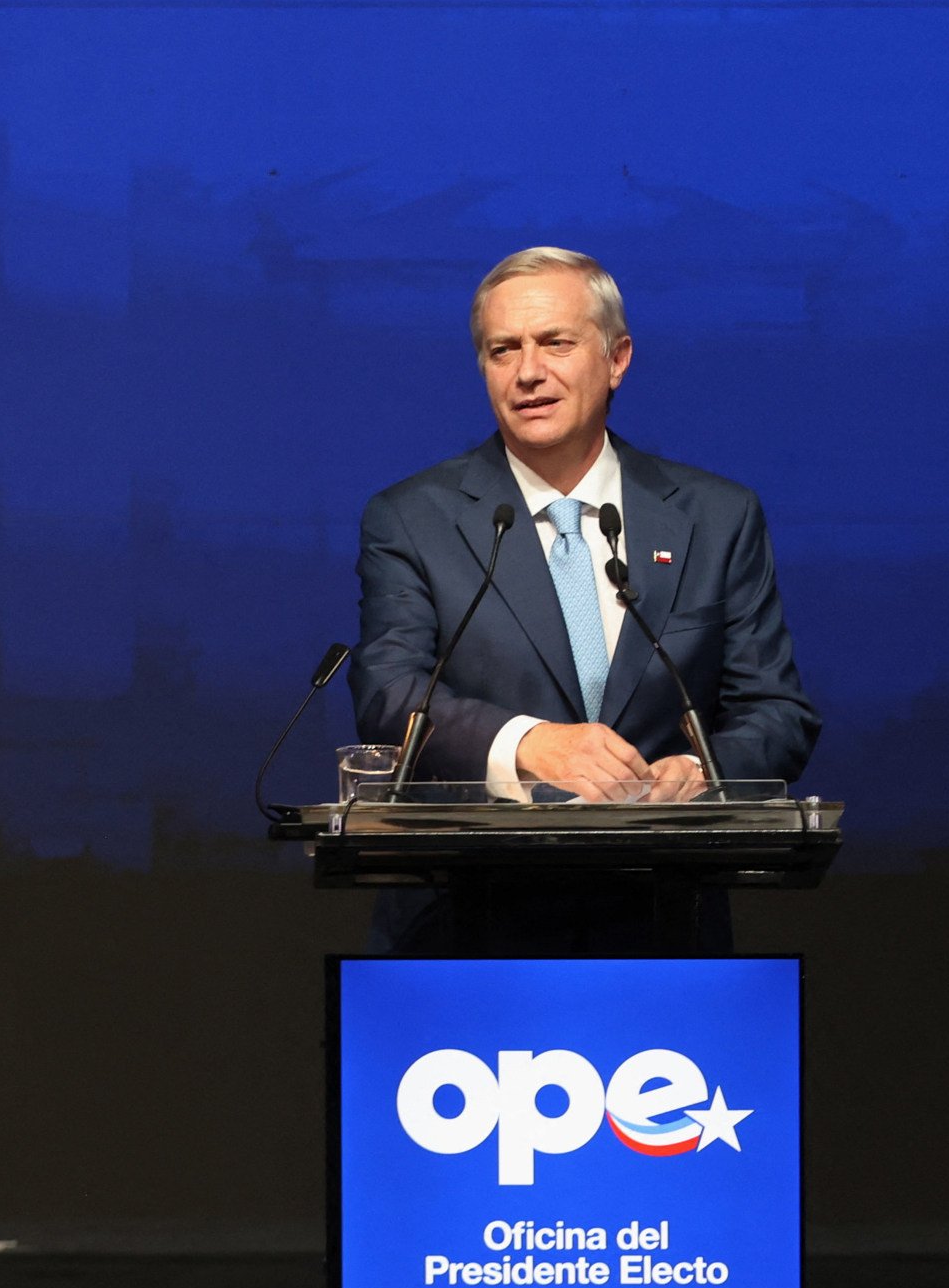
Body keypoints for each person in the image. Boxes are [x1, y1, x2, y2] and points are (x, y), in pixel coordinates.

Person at [350, 246, 820, 953]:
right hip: (466, 925)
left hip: (666, 923)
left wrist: (697, 772)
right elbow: (388, 692)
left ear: (616, 358)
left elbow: (777, 711)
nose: (527, 371)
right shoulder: (413, 518)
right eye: (503, 349)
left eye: (555, 343)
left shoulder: (715, 517)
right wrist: (531, 743)